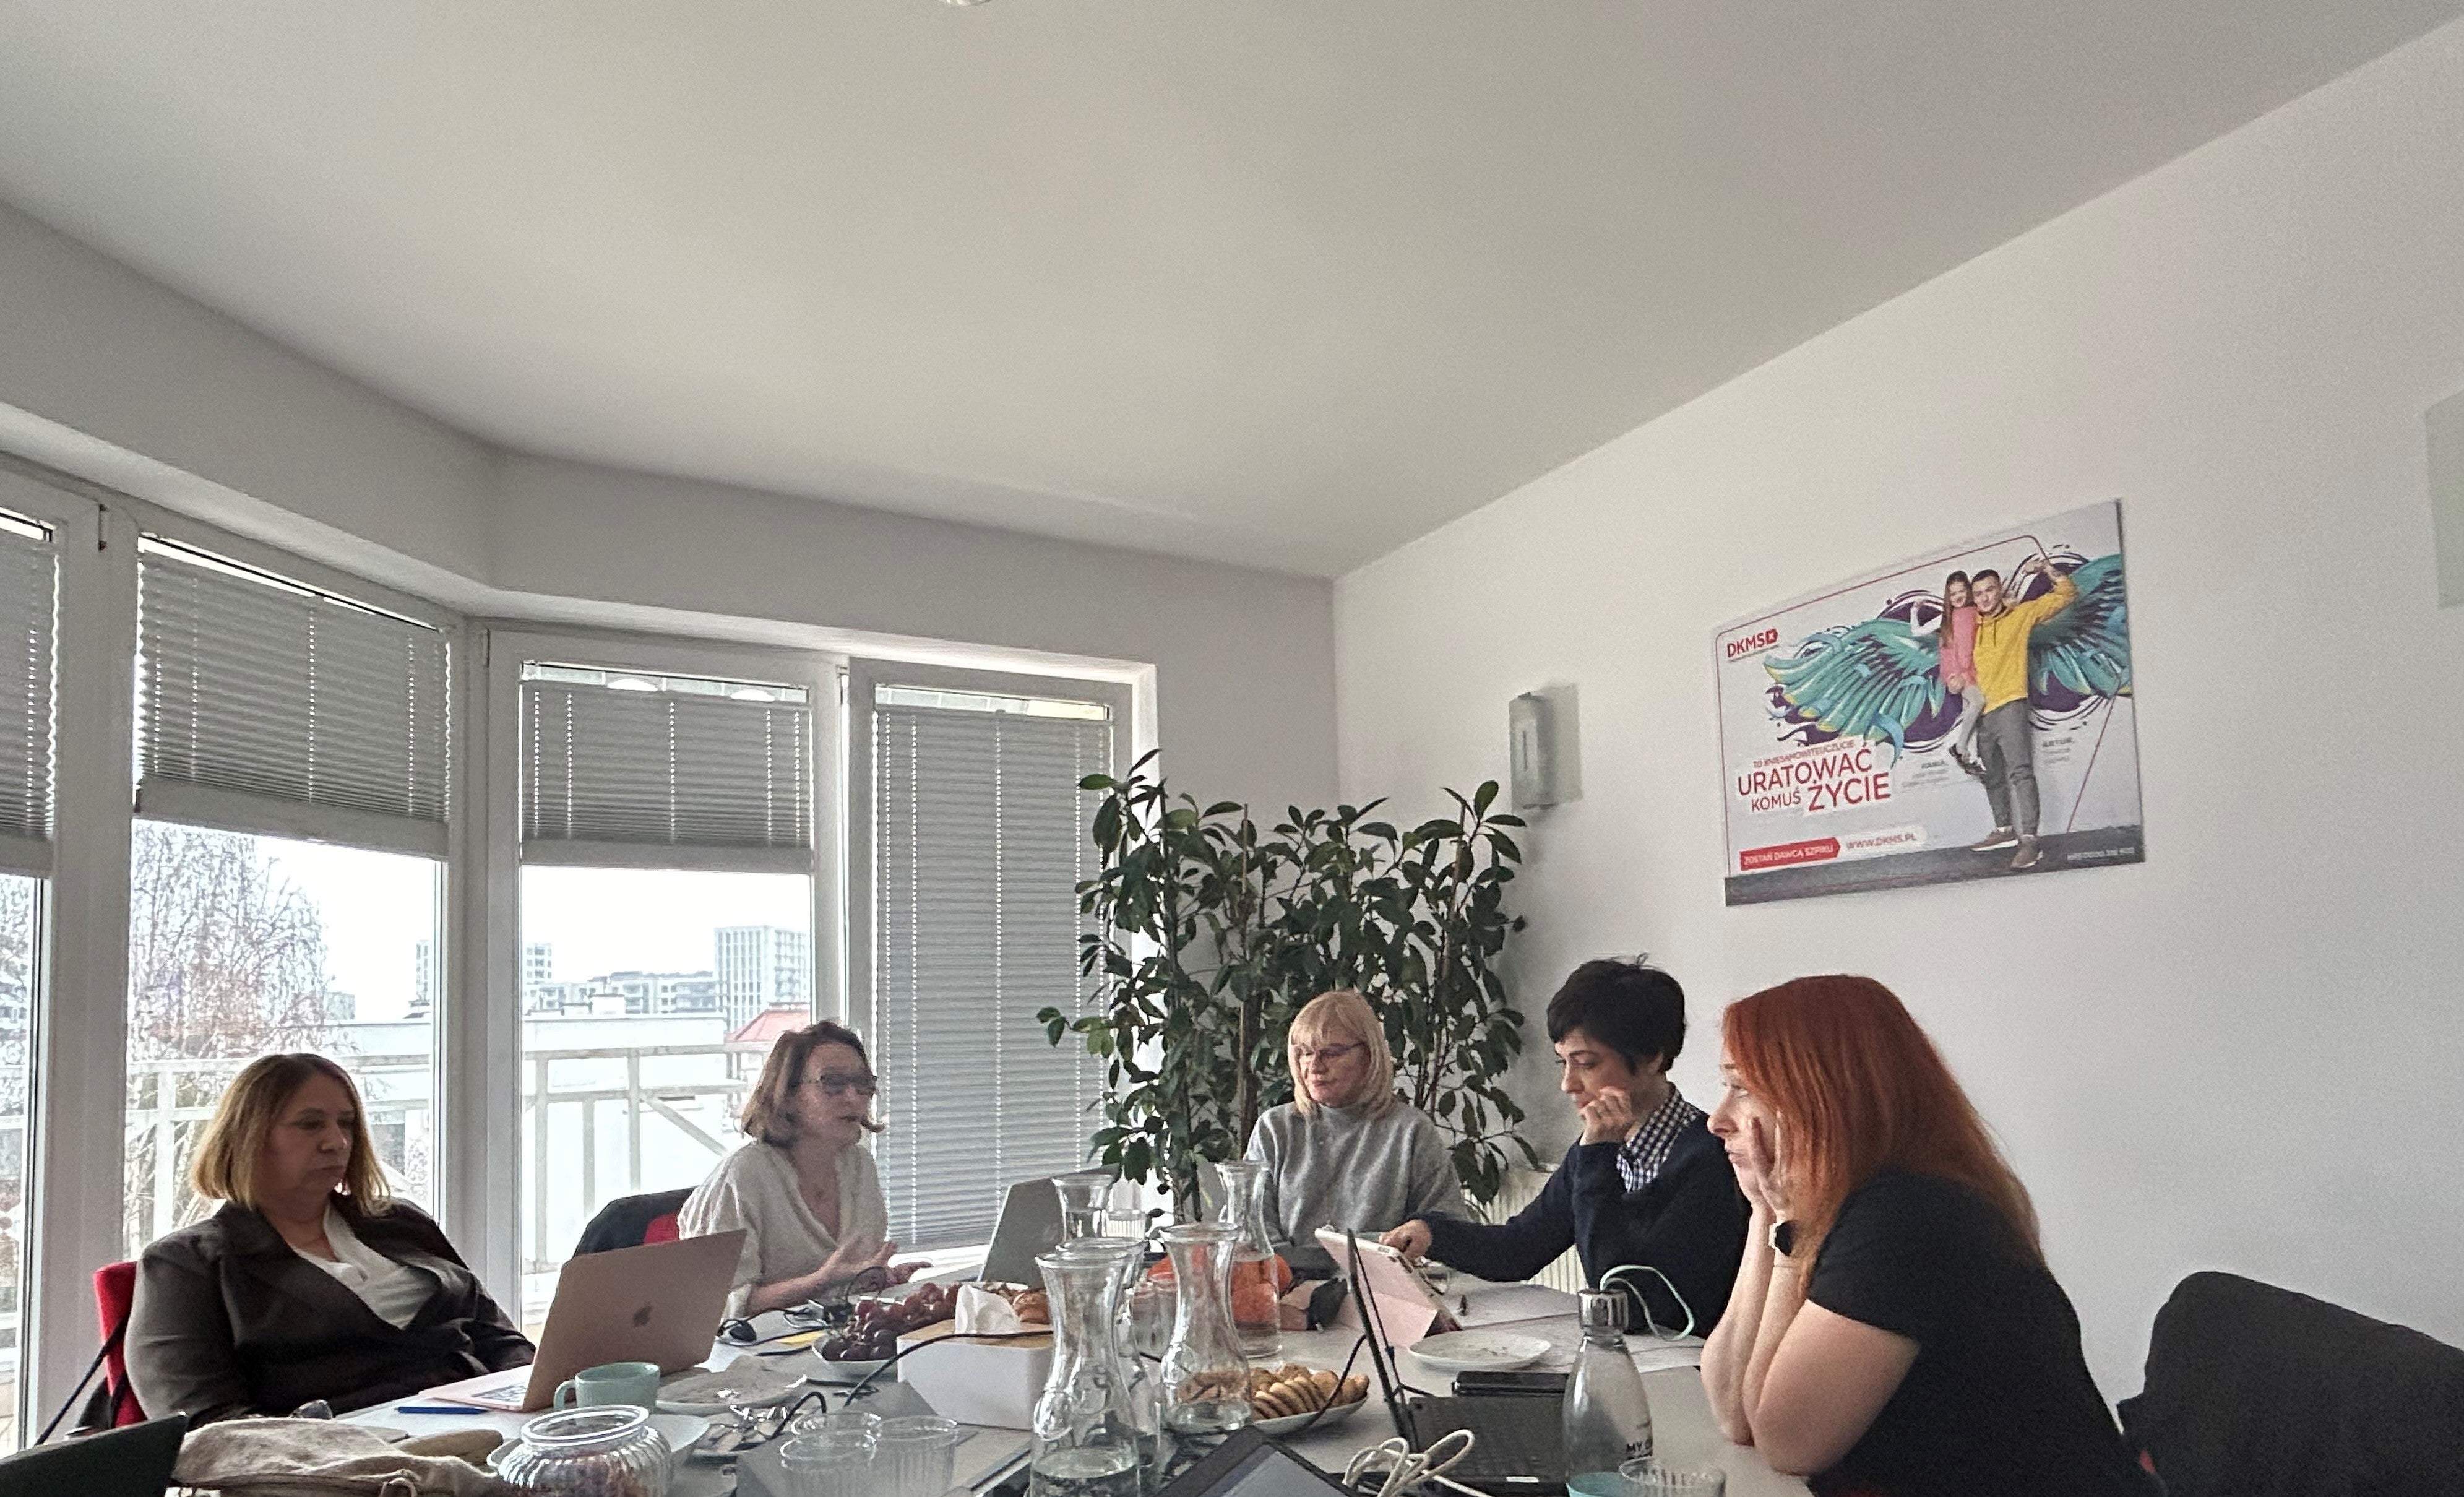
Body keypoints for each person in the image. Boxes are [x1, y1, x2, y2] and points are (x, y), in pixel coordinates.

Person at [1700, 975, 2156, 1496]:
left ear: (1821, 1095)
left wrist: (1787, 1223)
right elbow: (1734, 1413)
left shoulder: (1908, 1215)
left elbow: (1788, 1440)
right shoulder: (1859, 1203)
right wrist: (1765, 1214)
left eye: (1742, 1088)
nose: (1718, 1119)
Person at [126, 1053, 533, 1424]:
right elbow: (205, 1422)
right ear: (249, 1136)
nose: (337, 1142)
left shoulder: (401, 1222)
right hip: (339, 1453)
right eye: (310, 1124)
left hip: (487, 1425)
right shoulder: (187, 1263)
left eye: (347, 1123)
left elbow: (498, 1337)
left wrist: (536, 1395)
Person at [1382, 960, 1747, 1334]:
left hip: (1688, 1360)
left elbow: (1626, 1302)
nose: (1568, 1084)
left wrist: (1596, 1157)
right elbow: (1518, 1250)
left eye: (1586, 1064)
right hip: (1637, 1353)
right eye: (1563, 1063)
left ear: (1653, 1057)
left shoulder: (1711, 1159)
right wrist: (1433, 1232)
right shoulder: (1598, 1151)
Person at [678, 1020, 924, 1318]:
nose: (853, 1097)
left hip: (837, 1337)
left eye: (863, 1084)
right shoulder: (743, 1176)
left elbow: (849, 1284)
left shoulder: (860, 1166)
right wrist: (819, 1282)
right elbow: (716, 1309)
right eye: (832, 1083)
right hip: (758, 1345)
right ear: (788, 1096)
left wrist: (876, 1279)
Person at [1244, 990, 1467, 1280]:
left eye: (1331, 1053)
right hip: (1284, 1287)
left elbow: (1448, 1229)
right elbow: (1250, 1227)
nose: (1314, 1066)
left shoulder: (1411, 1131)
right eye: (1305, 1053)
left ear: (1369, 1056)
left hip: (1381, 1291)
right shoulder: (1275, 1128)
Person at [1967, 556, 2078, 870]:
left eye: (1990, 590)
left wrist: (2047, 570)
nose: (1985, 598)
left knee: (2021, 773)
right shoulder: (1971, 627)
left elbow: (2067, 595)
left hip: (2011, 704)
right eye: (1979, 594)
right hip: (1981, 713)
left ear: (2000, 590)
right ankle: (2004, 830)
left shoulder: (2020, 615)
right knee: (1991, 775)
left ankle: (2030, 841)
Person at [1915, 571, 1984, 778]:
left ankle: (1970, 757)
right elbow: (1917, 631)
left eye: (1962, 591)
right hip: (1958, 673)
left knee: (1971, 715)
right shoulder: (1948, 618)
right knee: (1978, 703)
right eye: (1953, 594)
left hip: (1971, 670)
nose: (1958, 597)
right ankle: (1960, 747)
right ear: (1948, 596)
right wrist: (1915, 611)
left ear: (1969, 591)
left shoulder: (1975, 612)